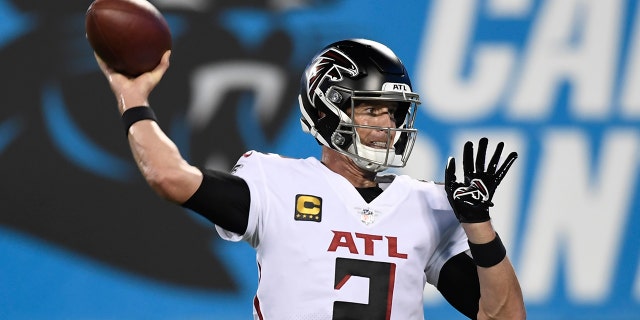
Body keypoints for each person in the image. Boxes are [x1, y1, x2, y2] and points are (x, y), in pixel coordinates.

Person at [95, 38, 526, 319]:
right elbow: (169, 176)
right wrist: (133, 99)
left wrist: (478, 226)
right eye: (371, 109)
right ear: (326, 110)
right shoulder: (276, 183)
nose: (387, 125)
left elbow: (505, 318)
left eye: (393, 113)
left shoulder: (425, 204)